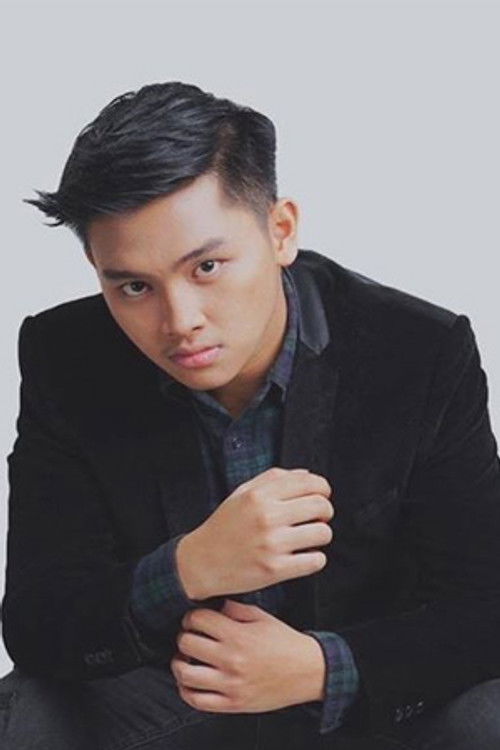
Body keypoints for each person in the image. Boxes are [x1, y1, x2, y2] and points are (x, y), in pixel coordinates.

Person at [1, 81, 500, 750]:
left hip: (367, 707)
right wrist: (188, 567)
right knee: (28, 715)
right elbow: (38, 620)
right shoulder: (67, 356)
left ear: (280, 230)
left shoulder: (415, 351)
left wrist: (321, 668)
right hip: (177, 699)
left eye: (207, 266)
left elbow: (484, 605)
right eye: (134, 286)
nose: (179, 321)